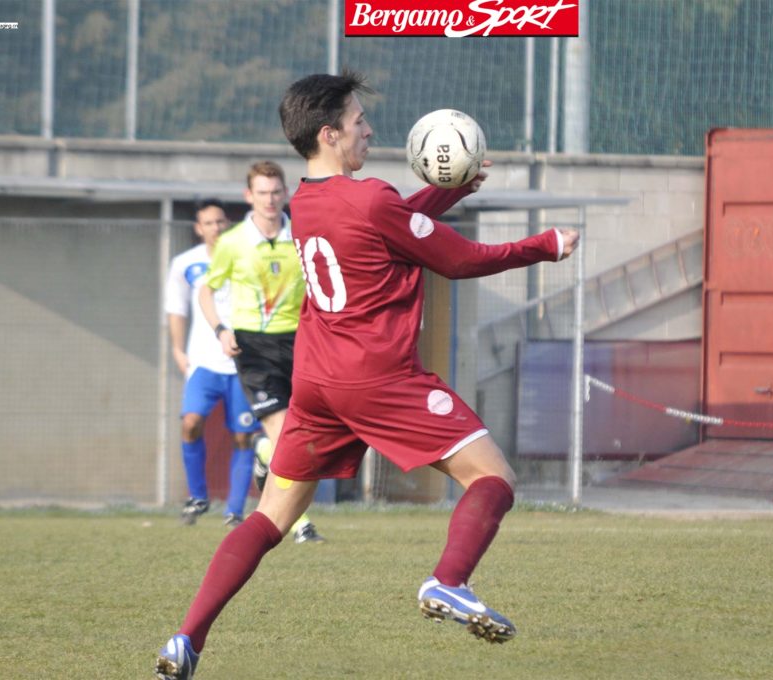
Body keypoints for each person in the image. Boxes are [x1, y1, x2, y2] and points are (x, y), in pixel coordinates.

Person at [154, 71, 580, 679]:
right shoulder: (371, 196)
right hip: (377, 378)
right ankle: (448, 580)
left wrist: (448, 192)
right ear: (329, 134)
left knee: (269, 517)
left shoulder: (307, 202)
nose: (369, 130)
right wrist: (544, 245)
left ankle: (186, 638)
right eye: (359, 121)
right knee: (493, 476)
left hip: (317, 384)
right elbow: (458, 260)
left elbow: (388, 224)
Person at [197, 160, 322, 544]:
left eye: (275, 192)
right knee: (287, 437)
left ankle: (264, 454)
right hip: (253, 347)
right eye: (262, 193)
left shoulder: (301, 235)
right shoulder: (232, 242)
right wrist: (221, 330)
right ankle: (301, 524)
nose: (270, 200)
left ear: (285, 193)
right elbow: (207, 290)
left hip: (300, 343)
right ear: (248, 196)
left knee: (306, 438)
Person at [165, 199, 259, 528]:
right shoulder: (185, 264)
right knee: (190, 423)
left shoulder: (245, 256)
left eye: (220, 222)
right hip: (203, 363)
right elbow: (176, 309)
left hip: (241, 363)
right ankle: (198, 497)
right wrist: (178, 350)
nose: (216, 228)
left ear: (227, 224)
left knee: (243, 437)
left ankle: (234, 510)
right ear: (198, 228)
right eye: (209, 223)